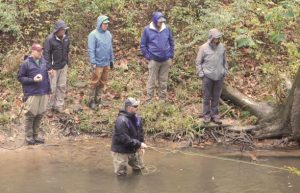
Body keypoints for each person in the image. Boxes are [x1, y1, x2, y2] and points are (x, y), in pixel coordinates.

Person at [18, 43, 52, 145]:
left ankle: (36, 136)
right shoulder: (26, 63)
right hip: (32, 93)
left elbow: (46, 76)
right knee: (30, 115)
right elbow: (20, 78)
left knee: (39, 115)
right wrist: (32, 79)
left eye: (41, 50)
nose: (40, 52)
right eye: (38, 51)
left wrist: (48, 90)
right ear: (33, 51)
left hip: (43, 92)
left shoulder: (43, 61)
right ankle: (29, 137)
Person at [195, 28, 228, 125]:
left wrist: (225, 71)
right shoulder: (203, 48)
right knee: (206, 97)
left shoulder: (222, 47)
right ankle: (206, 116)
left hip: (219, 76)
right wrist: (201, 74)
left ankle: (215, 115)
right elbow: (198, 62)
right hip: (207, 76)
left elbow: (225, 61)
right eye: (215, 38)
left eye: (218, 38)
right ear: (211, 37)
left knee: (216, 97)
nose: (217, 39)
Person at [140, 11, 174, 102]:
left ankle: (162, 101)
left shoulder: (167, 28)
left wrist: (171, 55)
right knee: (151, 82)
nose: (161, 23)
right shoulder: (147, 29)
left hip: (166, 60)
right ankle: (149, 101)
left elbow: (171, 42)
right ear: (155, 21)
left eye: (162, 21)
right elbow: (143, 45)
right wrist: (148, 57)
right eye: (159, 21)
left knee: (163, 82)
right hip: (154, 60)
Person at [111, 97, 148, 176]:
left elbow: (140, 132)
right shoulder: (121, 121)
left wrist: (141, 144)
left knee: (139, 169)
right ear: (128, 108)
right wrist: (139, 144)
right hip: (120, 151)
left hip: (133, 148)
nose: (137, 108)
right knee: (121, 175)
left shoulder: (137, 118)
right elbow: (124, 139)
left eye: (137, 106)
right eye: (135, 106)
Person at [87, 15, 114, 109]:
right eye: (104, 24)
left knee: (103, 82)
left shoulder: (109, 34)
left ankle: (98, 99)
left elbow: (110, 48)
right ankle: (90, 101)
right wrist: (93, 62)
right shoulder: (93, 35)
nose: (106, 25)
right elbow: (91, 49)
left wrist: (111, 60)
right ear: (100, 24)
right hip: (97, 63)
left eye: (107, 24)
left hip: (106, 63)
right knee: (94, 82)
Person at [44, 20, 70, 114]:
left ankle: (58, 106)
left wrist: (66, 63)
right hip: (53, 68)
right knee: (52, 88)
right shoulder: (50, 39)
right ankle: (49, 107)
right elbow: (46, 55)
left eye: (64, 29)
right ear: (57, 30)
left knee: (61, 86)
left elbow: (67, 51)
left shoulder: (66, 38)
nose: (63, 31)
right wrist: (49, 68)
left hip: (63, 66)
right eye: (62, 30)